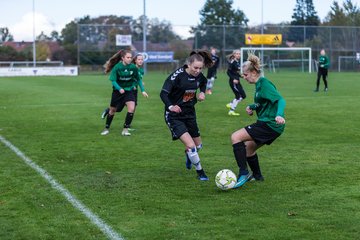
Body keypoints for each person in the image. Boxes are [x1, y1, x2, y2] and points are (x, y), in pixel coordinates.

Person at [230, 52, 286, 189]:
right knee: (249, 149)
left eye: (246, 74)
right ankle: (257, 176)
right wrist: (253, 107)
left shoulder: (264, 83)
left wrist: (279, 115)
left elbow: (280, 100)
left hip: (269, 124)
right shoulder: (259, 85)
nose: (244, 77)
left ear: (254, 72)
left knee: (235, 137)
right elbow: (264, 102)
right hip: (269, 125)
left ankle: (243, 173)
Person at [160, 50, 213, 181]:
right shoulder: (177, 76)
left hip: (189, 113)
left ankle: (189, 155)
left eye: (200, 68)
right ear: (188, 64)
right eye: (195, 67)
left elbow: (203, 82)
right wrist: (171, 106)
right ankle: (200, 172)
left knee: (198, 146)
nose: (198, 71)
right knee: (191, 146)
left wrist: (202, 93)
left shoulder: (199, 75)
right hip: (174, 115)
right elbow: (163, 93)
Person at [101, 50, 148, 136]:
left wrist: (143, 90)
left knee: (131, 108)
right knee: (113, 110)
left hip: (128, 91)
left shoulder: (133, 68)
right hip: (117, 92)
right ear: (123, 58)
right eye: (128, 57)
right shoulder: (117, 67)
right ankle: (106, 128)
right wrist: (119, 88)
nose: (130, 59)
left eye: (130, 57)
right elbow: (113, 80)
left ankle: (125, 130)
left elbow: (138, 80)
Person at [226, 49, 246, 116]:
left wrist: (241, 76)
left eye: (239, 54)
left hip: (237, 81)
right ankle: (231, 110)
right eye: (237, 54)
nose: (238, 55)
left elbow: (235, 72)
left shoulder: (237, 62)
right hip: (233, 82)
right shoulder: (232, 62)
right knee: (238, 96)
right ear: (234, 54)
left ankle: (231, 104)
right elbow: (228, 72)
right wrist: (233, 78)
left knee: (243, 96)